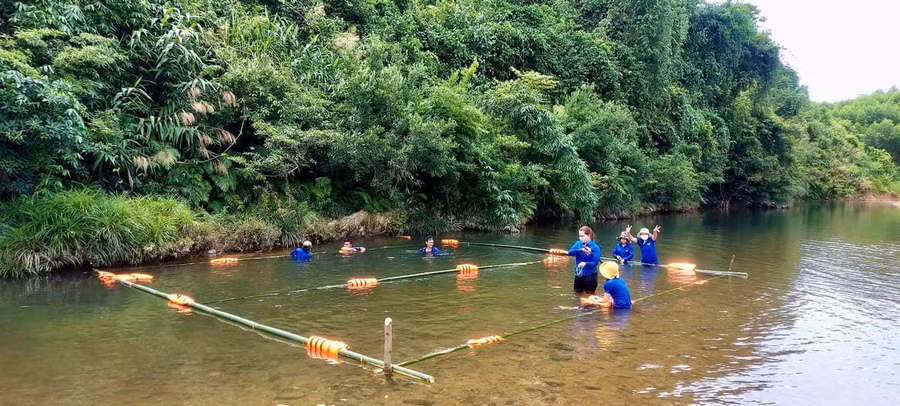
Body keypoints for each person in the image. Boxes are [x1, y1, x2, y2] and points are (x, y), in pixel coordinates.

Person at [567, 226, 602, 295]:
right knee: (577, 294)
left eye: (582, 236)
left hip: (590, 275)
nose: (580, 238)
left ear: (588, 235)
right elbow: (570, 252)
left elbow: (595, 263)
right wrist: (580, 250)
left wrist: (585, 264)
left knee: (590, 296)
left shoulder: (595, 247)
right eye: (579, 236)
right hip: (579, 275)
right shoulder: (578, 244)